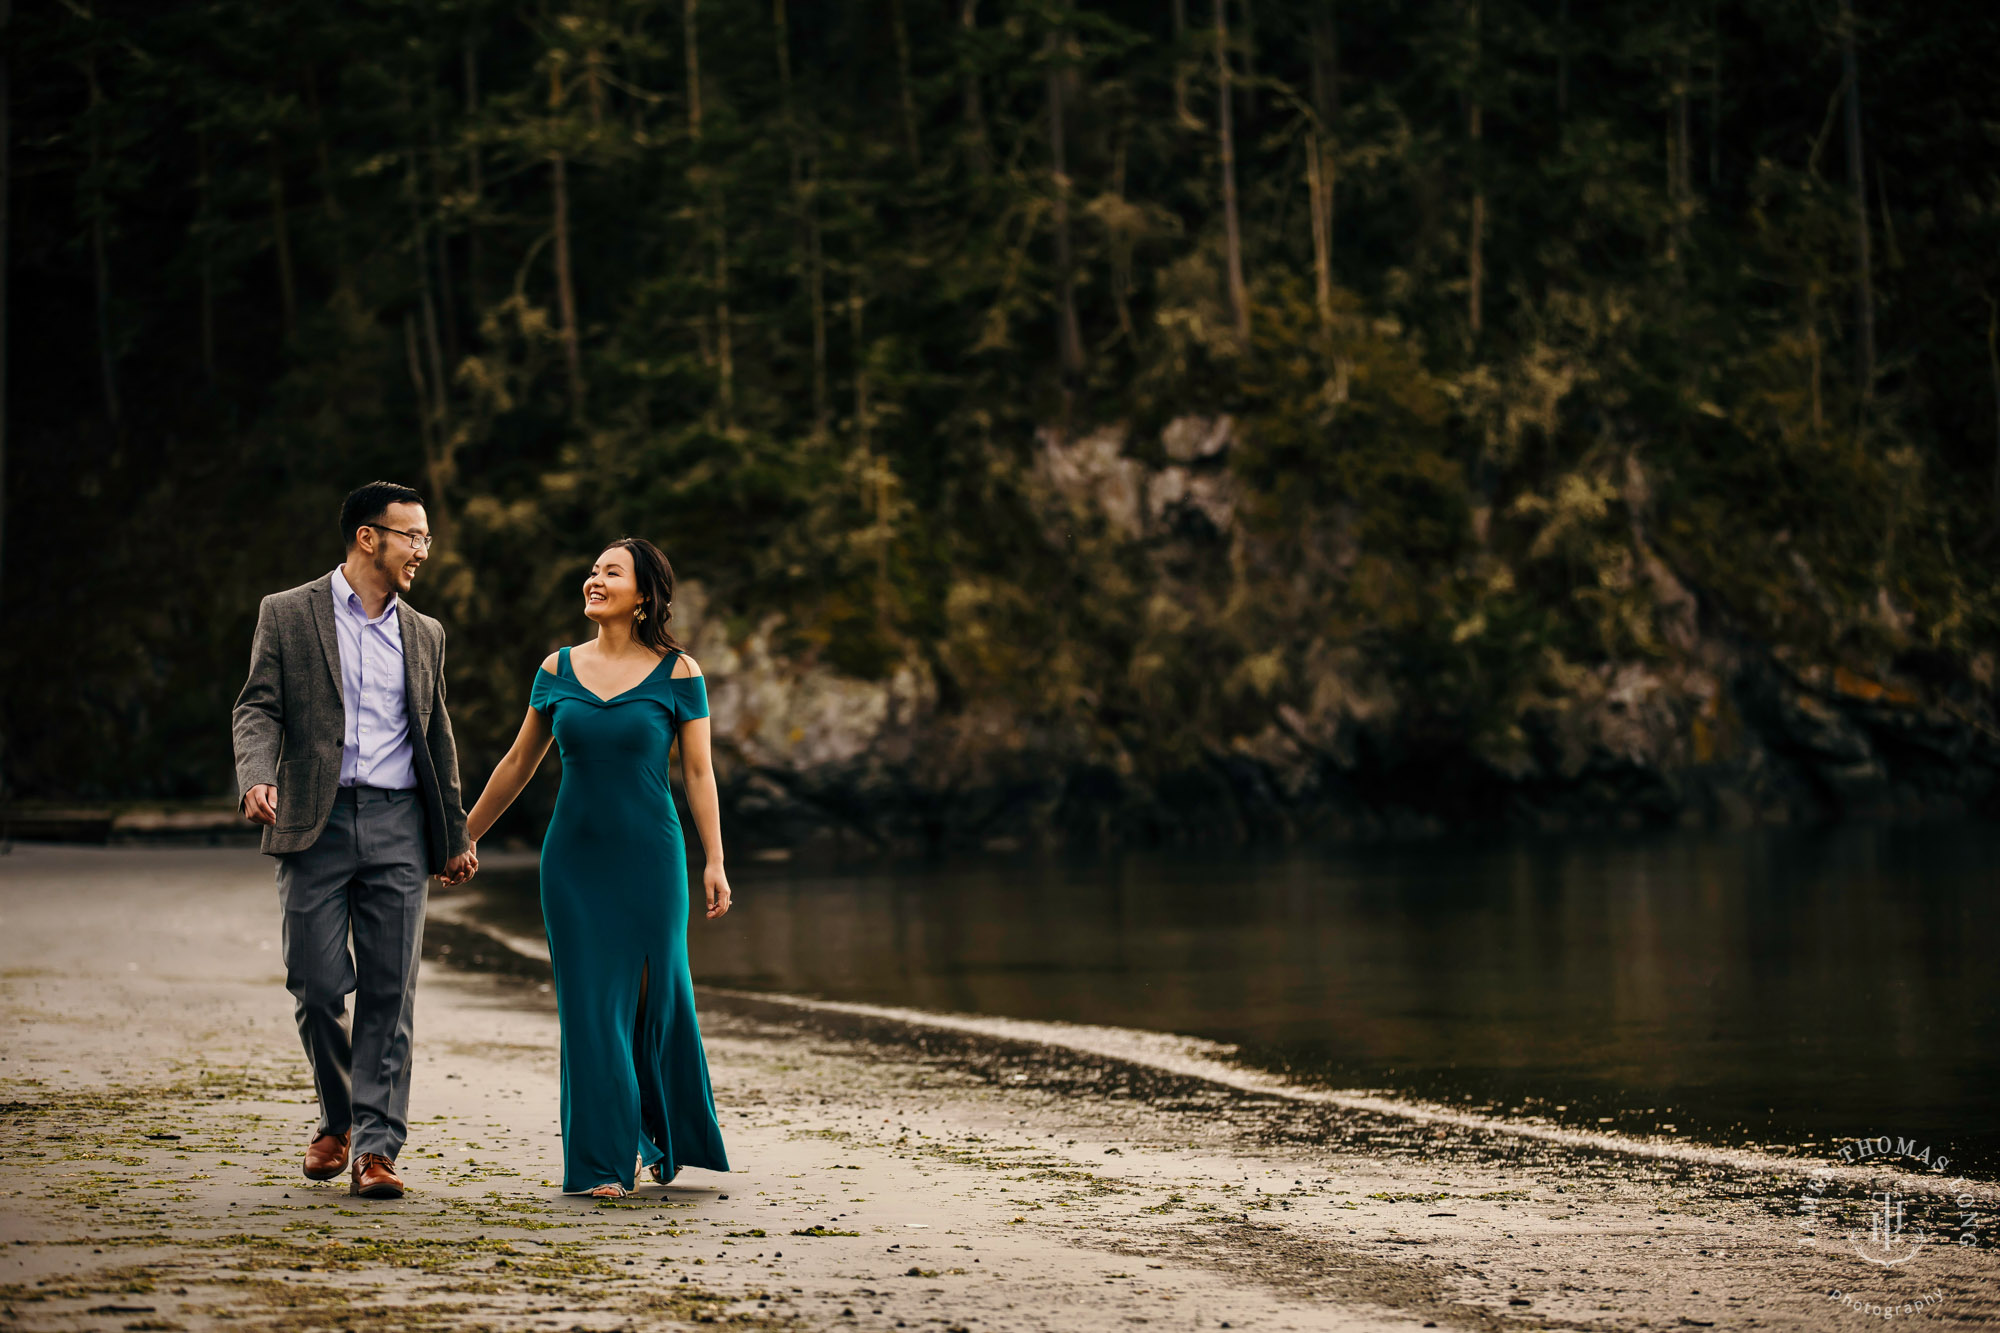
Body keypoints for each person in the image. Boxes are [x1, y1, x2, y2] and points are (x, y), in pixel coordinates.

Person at [463, 537, 733, 1198]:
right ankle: (605, 1161)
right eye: (592, 569)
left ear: (643, 595)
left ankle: (653, 1133)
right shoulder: (556, 668)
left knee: (652, 999)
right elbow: (518, 764)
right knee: (590, 1008)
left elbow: (698, 772)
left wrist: (715, 861)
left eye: (611, 572)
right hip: (574, 865)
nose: (594, 579)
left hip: (652, 859)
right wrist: (460, 836)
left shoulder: (679, 673)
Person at [232, 481, 478, 1201]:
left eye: (427, 537)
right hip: (315, 819)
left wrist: (454, 831)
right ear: (368, 537)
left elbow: (437, 735)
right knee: (314, 984)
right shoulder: (287, 612)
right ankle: (338, 1116)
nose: (423, 551)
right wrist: (255, 776)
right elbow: (257, 707)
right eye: (413, 536)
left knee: (389, 990)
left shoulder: (426, 632)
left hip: (402, 822)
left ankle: (376, 1146)